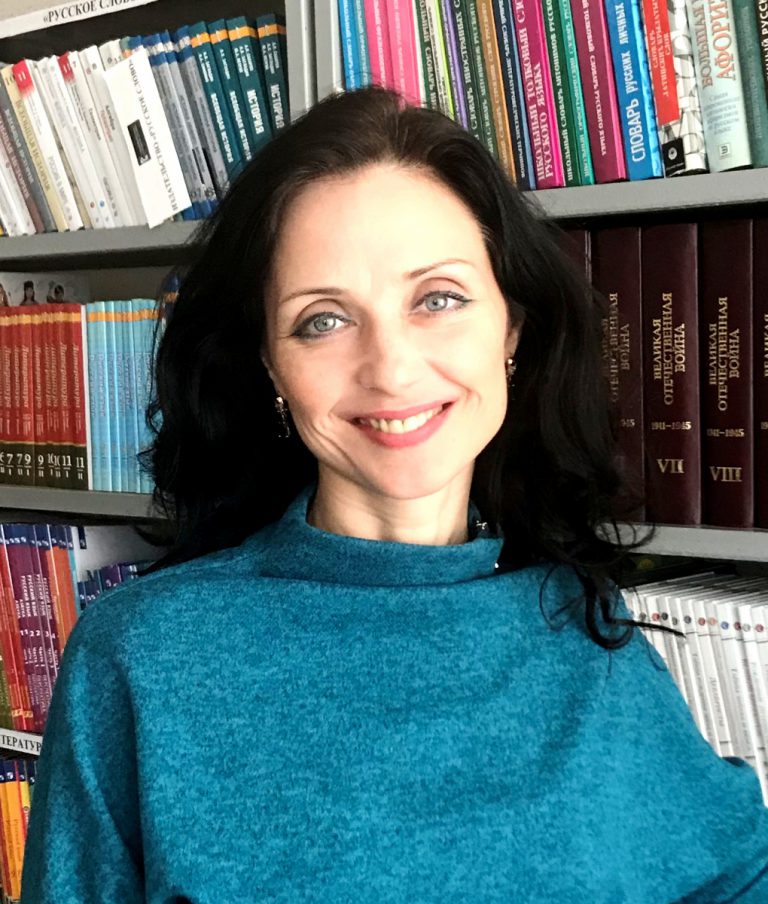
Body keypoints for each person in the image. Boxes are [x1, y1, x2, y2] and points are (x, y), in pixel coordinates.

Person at [21, 88, 768, 902]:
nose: (392, 368)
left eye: (438, 299)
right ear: (270, 366)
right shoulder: (139, 657)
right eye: (323, 320)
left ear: (512, 328)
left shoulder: (584, 629)